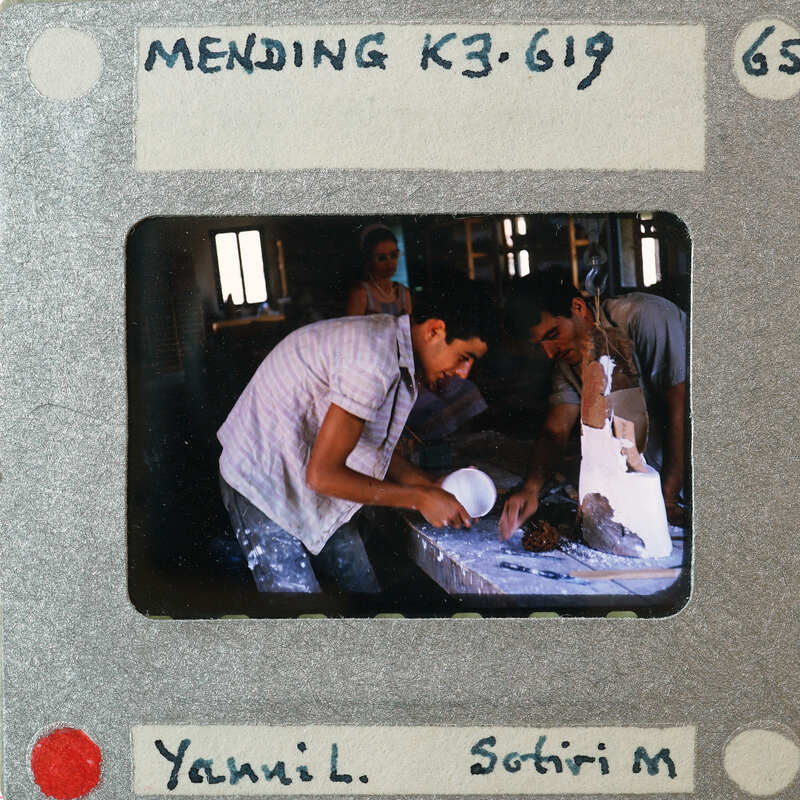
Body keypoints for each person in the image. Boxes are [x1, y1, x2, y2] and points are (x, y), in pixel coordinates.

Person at [218, 283, 495, 593]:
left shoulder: (393, 347)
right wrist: (419, 498)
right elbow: (322, 475)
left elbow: (361, 443)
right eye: (463, 357)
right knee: (300, 608)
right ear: (434, 331)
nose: (464, 373)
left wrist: (425, 483)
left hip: (303, 469)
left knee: (363, 591)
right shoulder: (374, 359)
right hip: (261, 479)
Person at [499, 269, 687, 539]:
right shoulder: (568, 359)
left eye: (552, 334)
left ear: (578, 307)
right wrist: (530, 488)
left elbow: (679, 406)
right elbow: (556, 431)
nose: (550, 352)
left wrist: (668, 496)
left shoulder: (642, 316)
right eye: (539, 345)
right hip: (651, 480)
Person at [345, 225, 412, 317]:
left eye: (393, 255)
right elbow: (351, 329)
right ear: (369, 259)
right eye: (381, 258)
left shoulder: (404, 293)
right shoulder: (360, 293)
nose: (389, 263)